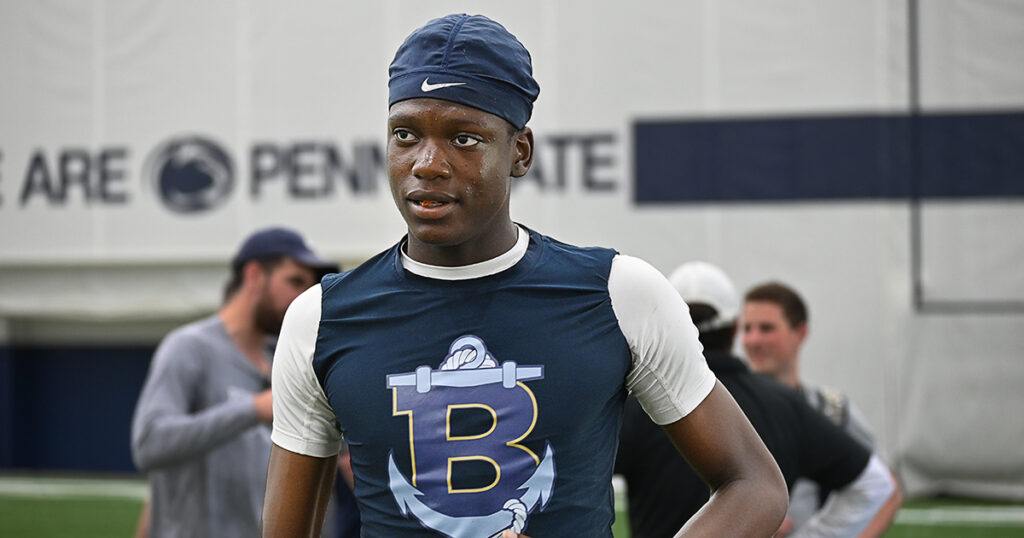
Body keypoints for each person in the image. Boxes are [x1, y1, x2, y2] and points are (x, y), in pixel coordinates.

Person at [262, 13, 787, 538]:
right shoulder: (321, 320)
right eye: (405, 134)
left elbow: (755, 485)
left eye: (463, 139)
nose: (427, 163)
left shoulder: (619, 295)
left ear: (520, 152)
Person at [616, 261, 896, 538]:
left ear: (666, 327)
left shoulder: (632, 409)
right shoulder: (786, 404)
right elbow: (875, 485)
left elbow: (576, 485)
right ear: (736, 329)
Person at [130, 227, 337, 537]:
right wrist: (252, 409)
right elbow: (150, 443)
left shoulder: (283, 358)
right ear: (254, 276)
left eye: (309, 287)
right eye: (294, 281)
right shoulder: (189, 348)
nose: (302, 298)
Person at [742, 281, 903, 536]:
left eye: (766, 328)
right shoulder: (729, 409)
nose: (753, 339)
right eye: (747, 329)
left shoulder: (831, 408)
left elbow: (888, 488)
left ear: (801, 333)